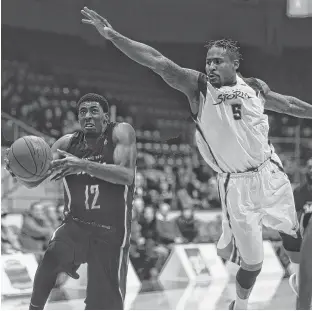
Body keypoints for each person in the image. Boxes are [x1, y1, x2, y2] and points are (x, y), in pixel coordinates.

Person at [81, 7, 312, 309]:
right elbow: (158, 62)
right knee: (253, 262)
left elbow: (291, 104)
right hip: (235, 184)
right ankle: (239, 305)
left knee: (292, 231)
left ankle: (298, 276)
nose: (212, 65)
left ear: (235, 64)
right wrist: (113, 36)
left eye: (219, 61)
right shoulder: (199, 87)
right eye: (209, 61)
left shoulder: (254, 88)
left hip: (269, 171)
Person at [5, 92, 137, 310]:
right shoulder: (67, 143)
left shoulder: (120, 132)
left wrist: (83, 165)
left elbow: (126, 176)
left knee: (102, 305)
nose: (87, 115)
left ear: (106, 117)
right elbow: (35, 180)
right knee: (51, 257)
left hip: (110, 232)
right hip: (76, 225)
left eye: (94, 111)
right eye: (82, 112)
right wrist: (16, 170)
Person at [294, 158, 312, 309]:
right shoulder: (299, 192)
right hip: (307, 240)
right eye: (310, 167)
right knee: (305, 281)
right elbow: (294, 218)